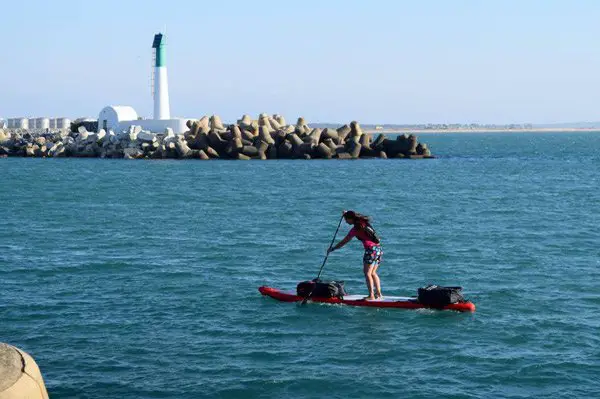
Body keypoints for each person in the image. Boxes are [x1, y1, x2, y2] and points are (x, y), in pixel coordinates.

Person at [328, 210, 383, 300]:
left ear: (351, 219)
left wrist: (333, 248)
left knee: (367, 273)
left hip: (370, 250)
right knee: (373, 273)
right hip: (378, 249)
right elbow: (353, 215)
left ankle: (371, 296)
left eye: (346, 220)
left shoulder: (355, 229)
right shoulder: (364, 223)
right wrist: (345, 214)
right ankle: (379, 294)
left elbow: (344, 241)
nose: (346, 222)